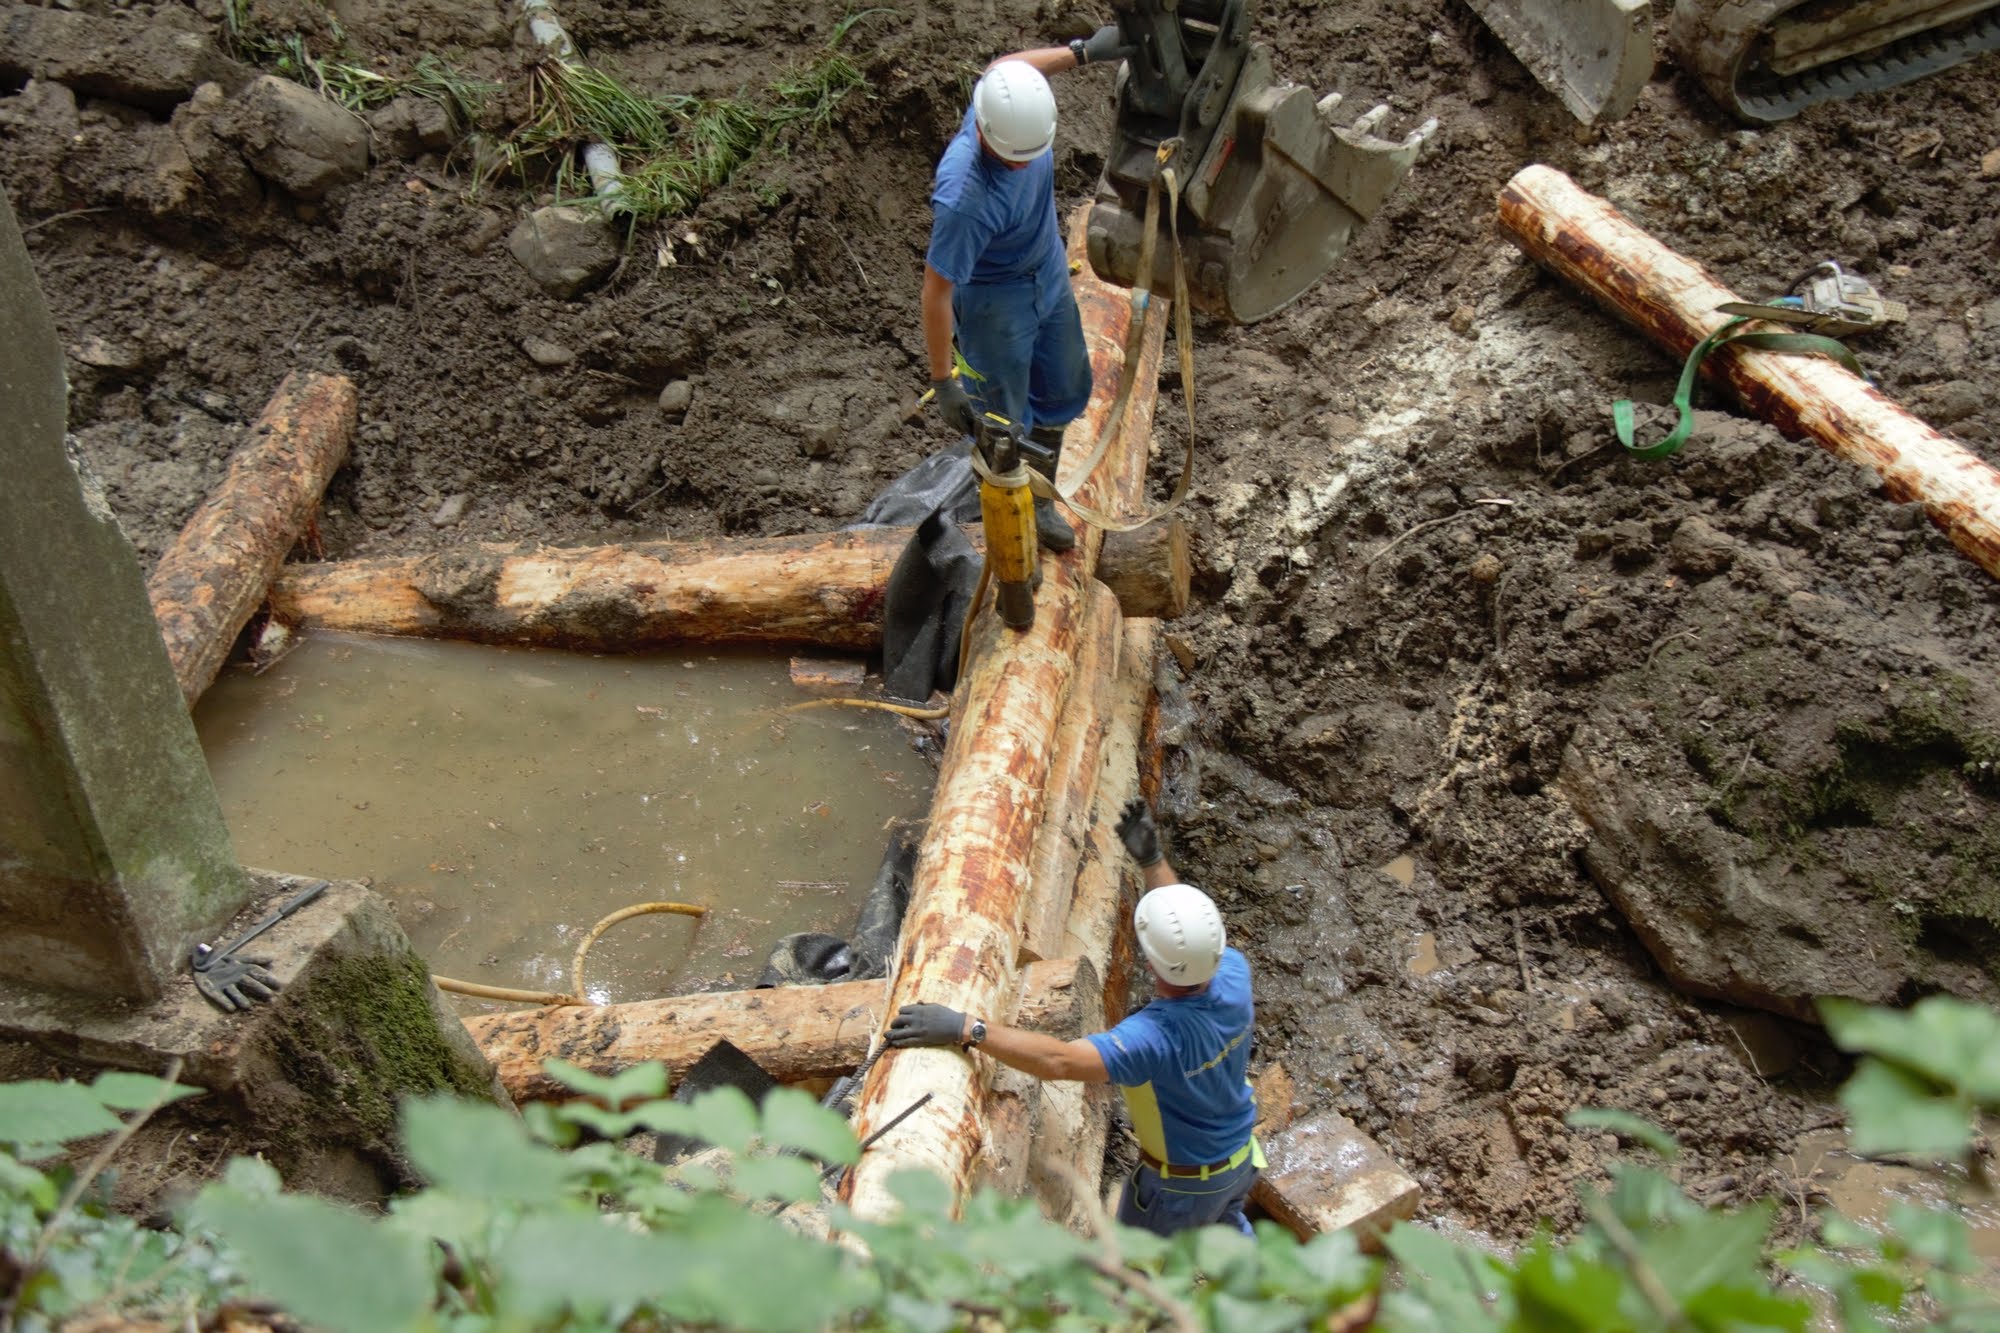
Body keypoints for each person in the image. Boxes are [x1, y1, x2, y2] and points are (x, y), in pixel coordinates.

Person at [885, 797, 1262, 1238]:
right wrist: (1152, 861)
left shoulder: (1154, 1039)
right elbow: (1185, 940)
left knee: (1138, 1271)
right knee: (1229, 1227)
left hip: (1182, 1190)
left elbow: (1059, 1061)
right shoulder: (1233, 971)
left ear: (1149, 963)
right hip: (1240, 1159)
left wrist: (968, 1028)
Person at [921, 27, 1131, 553]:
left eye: (1031, 155)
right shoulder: (964, 199)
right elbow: (936, 292)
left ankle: (1039, 501)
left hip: (1047, 268)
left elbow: (1011, 66)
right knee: (1000, 421)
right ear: (986, 133)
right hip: (994, 300)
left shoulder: (1011, 100)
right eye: (1013, 157)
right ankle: (1011, 535)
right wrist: (944, 379)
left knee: (1064, 386)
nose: (1023, 164)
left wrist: (1083, 52)